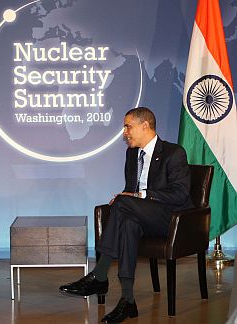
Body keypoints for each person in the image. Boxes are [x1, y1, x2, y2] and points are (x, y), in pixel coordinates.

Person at [59, 107, 194, 323]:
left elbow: (180, 194)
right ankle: (128, 301)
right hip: (140, 215)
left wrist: (137, 196)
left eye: (128, 127)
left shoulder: (173, 152)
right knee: (128, 223)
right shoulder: (132, 153)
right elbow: (129, 189)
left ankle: (100, 275)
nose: (124, 132)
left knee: (123, 203)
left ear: (145, 126)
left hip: (170, 219)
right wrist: (128, 199)